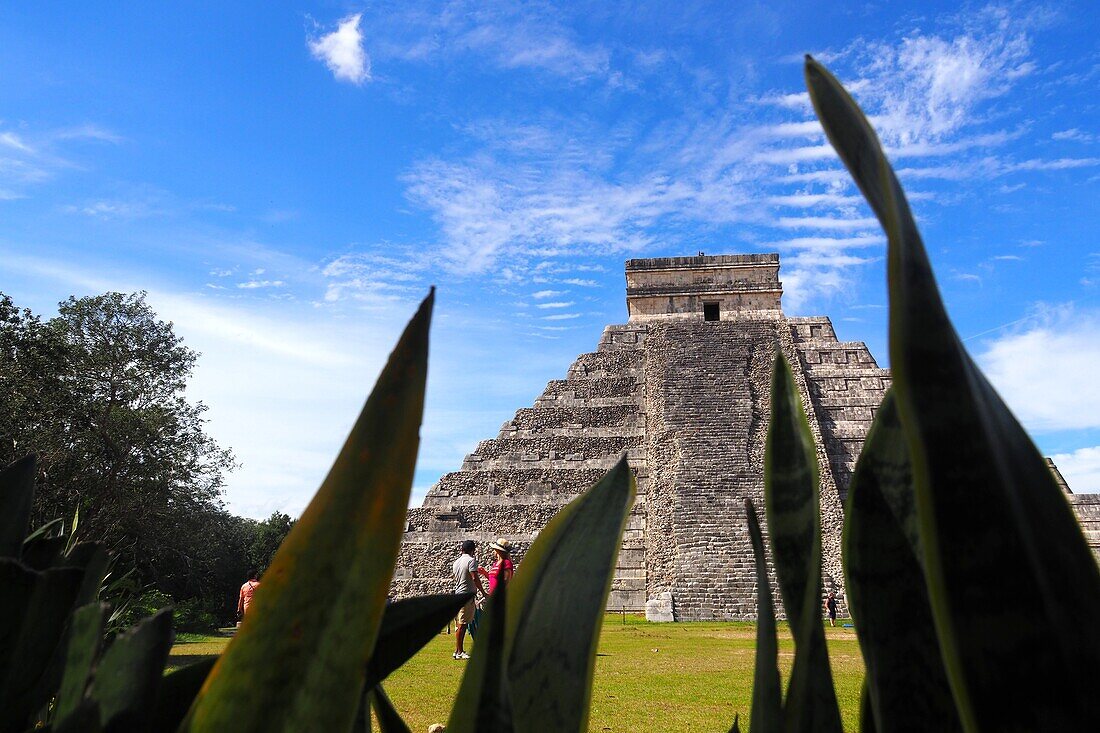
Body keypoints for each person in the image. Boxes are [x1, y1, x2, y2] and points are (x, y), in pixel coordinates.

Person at [452, 540, 486, 660]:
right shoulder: (471, 561)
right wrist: (483, 592)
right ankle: (460, 651)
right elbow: (474, 578)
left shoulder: (456, 562)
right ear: (473, 550)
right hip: (466, 595)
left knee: (461, 623)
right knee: (463, 624)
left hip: (458, 594)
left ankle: (457, 650)